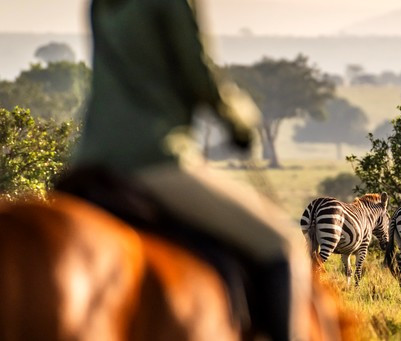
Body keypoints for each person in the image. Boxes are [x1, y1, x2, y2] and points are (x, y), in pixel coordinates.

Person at [65, 0, 311, 339]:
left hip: (87, 165)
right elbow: (198, 76)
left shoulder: (102, 4)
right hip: (152, 158)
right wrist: (239, 120)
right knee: (282, 245)